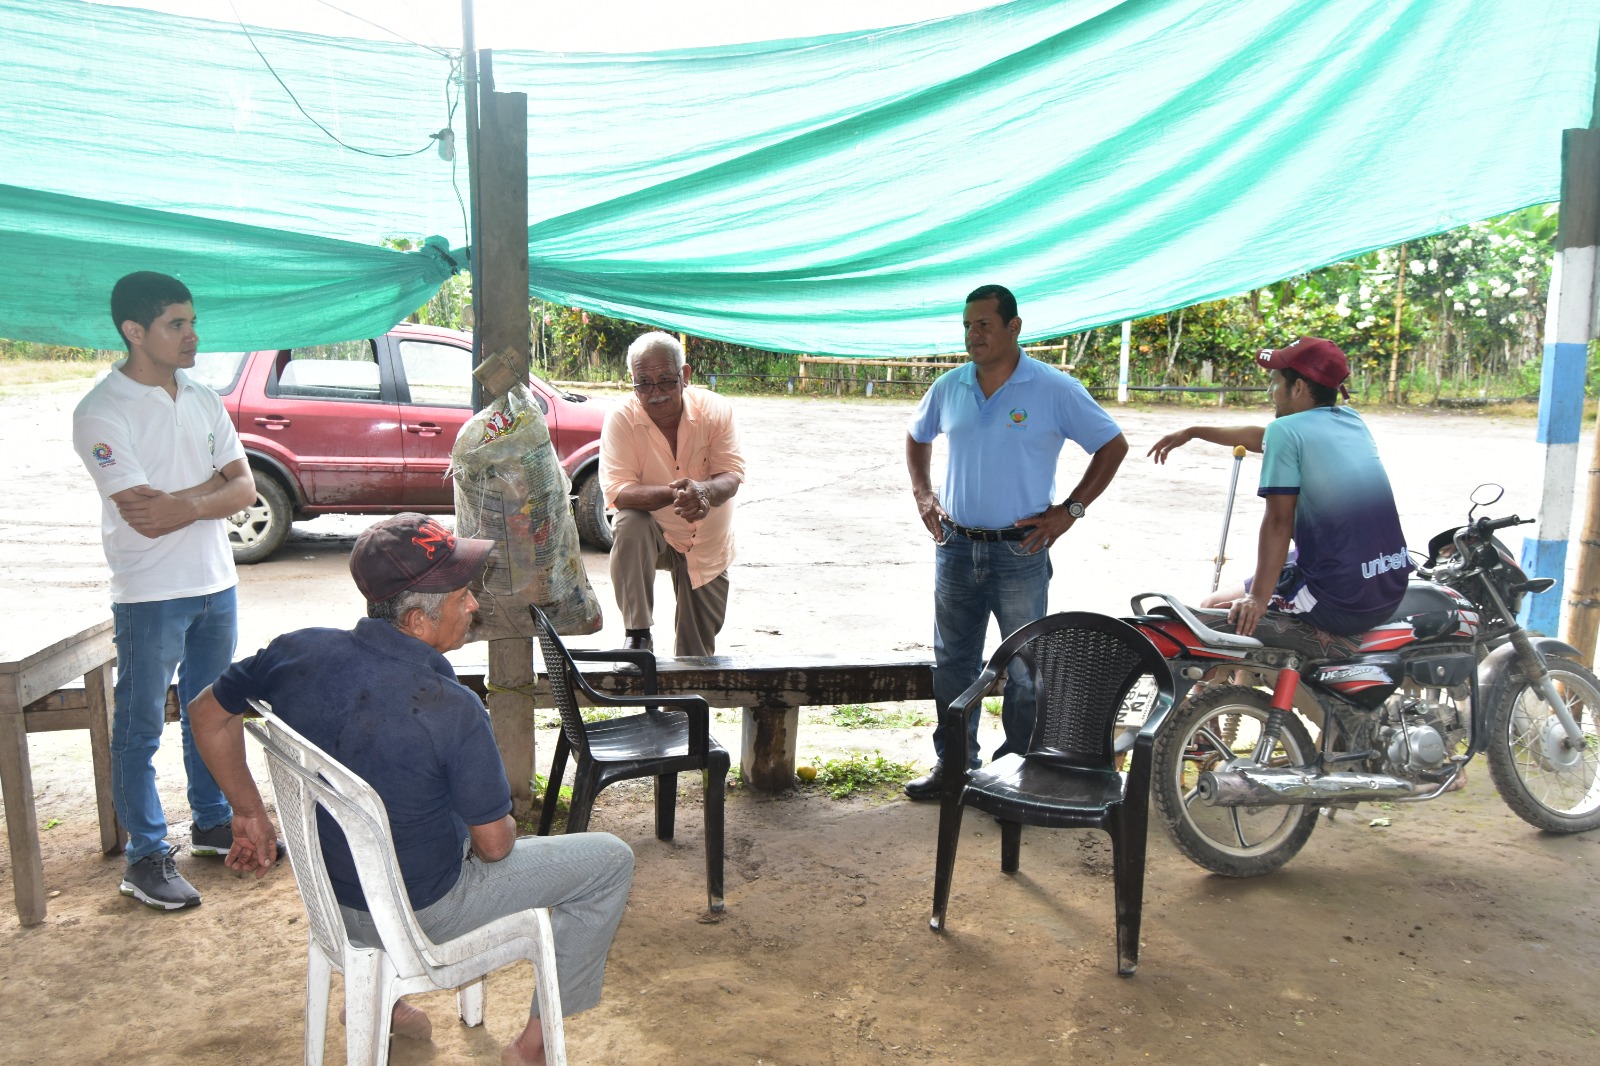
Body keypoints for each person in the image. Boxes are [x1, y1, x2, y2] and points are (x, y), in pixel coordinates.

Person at [189, 513, 634, 1066]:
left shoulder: (294, 651)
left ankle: (384, 999)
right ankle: (533, 1049)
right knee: (609, 861)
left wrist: (248, 813)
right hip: (422, 913)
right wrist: (495, 818)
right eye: (462, 595)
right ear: (418, 619)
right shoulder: (450, 708)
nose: (474, 604)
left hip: (332, 901)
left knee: (402, 819)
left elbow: (206, 713)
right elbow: (495, 847)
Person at [71, 271, 258, 910]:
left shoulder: (203, 397)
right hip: (150, 592)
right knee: (140, 727)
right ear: (134, 331)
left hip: (216, 584)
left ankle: (211, 822)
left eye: (192, 321)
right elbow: (144, 515)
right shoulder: (102, 411)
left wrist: (189, 503)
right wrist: (212, 493)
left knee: (213, 711)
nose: (192, 335)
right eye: (176, 324)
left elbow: (246, 488)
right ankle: (146, 856)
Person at [903, 284, 1129, 800]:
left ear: (1014, 327)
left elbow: (1112, 446)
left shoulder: (1054, 388)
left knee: (1026, 669)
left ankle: (1020, 774)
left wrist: (1070, 511)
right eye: (967, 325)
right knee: (954, 664)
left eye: (984, 324)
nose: (973, 335)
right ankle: (954, 767)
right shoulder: (950, 386)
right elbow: (917, 436)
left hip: (1019, 551)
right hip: (955, 545)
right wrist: (923, 494)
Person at [1147, 336, 1410, 637]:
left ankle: (1228, 673)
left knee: (1213, 609)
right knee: (1255, 585)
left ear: (1297, 388)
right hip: (1388, 580)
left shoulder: (1285, 431)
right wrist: (1195, 431)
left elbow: (1278, 522)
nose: (1269, 392)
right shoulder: (1351, 420)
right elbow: (1263, 437)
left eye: (1274, 382)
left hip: (1342, 598)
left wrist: (1257, 599)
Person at [599, 331, 746, 655]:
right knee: (629, 523)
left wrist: (704, 491)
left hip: (706, 542)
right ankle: (638, 635)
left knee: (696, 656)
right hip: (658, 533)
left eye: (665, 380)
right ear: (633, 382)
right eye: (644, 383)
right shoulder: (621, 417)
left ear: (685, 375)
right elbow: (618, 492)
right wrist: (679, 494)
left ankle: (685, 688)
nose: (656, 393)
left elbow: (732, 475)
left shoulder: (715, 410)